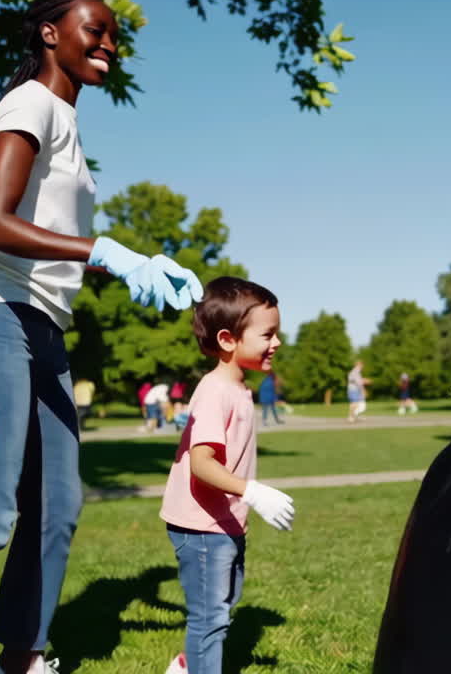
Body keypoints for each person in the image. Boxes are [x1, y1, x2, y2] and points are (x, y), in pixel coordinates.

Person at [0, 0, 203, 674]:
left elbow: (46, 234)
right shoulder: (31, 104)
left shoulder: (67, 124)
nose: (109, 43)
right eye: (94, 30)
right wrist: (103, 250)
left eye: (113, 34)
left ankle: (21, 658)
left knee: (57, 504)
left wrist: (121, 263)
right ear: (50, 34)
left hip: (41, 327)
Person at [161, 277, 295, 674]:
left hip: (226, 522)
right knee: (210, 617)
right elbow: (201, 465)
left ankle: (187, 663)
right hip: (201, 526)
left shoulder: (238, 388)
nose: (277, 343)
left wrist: (244, 503)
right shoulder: (215, 390)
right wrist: (252, 491)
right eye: (268, 335)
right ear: (228, 339)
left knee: (226, 601)